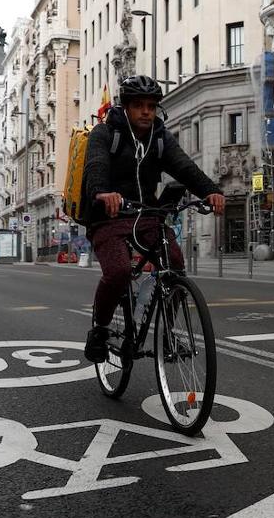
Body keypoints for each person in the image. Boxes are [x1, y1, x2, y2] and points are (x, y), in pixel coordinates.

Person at [81, 75, 225, 361]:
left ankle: (167, 334)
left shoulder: (160, 137)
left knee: (175, 264)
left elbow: (185, 167)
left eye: (151, 106)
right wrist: (102, 193)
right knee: (119, 271)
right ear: (126, 107)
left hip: (146, 213)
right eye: (139, 105)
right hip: (107, 216)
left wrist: (211, 191)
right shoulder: (105, 133)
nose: (146, 111)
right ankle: (99, 329)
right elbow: (94, 166)